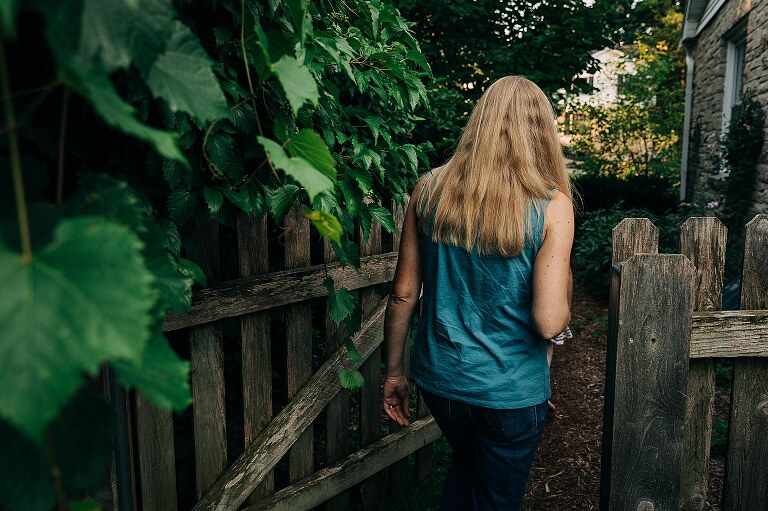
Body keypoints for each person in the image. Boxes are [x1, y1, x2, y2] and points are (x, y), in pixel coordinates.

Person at [382, 75, 575, 511]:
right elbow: (549, 320)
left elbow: (402, 294)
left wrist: (394, 374)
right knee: (496, 498)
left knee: (467, 467)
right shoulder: (551, 205)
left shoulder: (429, 189)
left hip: (442, 382)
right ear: (542, 130)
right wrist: (564, 304)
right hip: (510, 393)